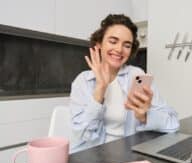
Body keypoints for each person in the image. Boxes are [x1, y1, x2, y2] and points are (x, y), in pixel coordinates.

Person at [70, 14, 179, 153]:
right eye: (113, 41)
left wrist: (145, 116)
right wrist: (100, 89)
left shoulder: (137, 76)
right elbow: (82, 136)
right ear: (99, 44)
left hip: (128, 156)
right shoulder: (83, 81)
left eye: (127, 45)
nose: (120, 49)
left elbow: (173, 124)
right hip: (90, 156)